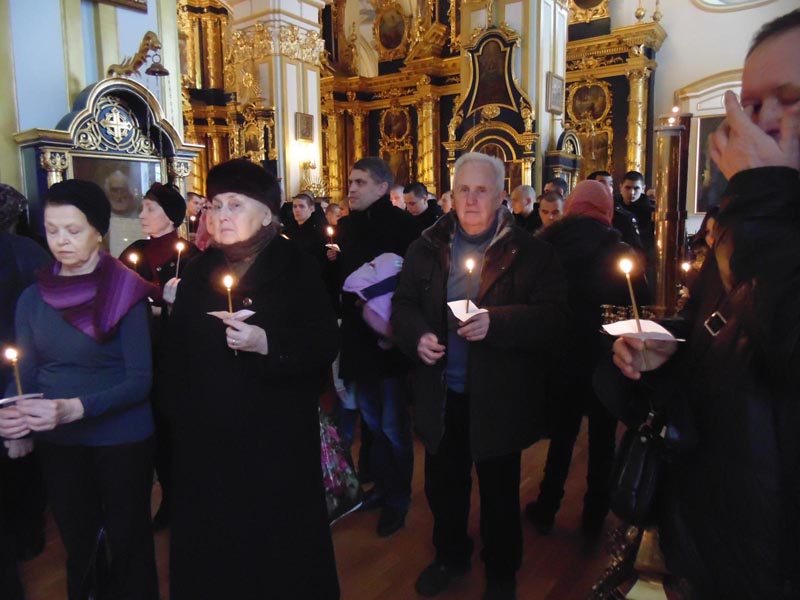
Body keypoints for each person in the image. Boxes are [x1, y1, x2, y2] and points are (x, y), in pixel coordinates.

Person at [612, 10, 800, 598]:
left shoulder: (758, 218)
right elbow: (731, 341)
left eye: (790, 100)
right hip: (716, 538)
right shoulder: (743, 226)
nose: (763, 122)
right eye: (752, 104)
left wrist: (764, 200)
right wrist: (666, 351)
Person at [392, 152, 568, 600]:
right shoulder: (427, 244)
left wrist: (498, 322)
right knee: (443, 488)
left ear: (502, 195)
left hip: (498, 396)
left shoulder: (532, 252)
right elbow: (404, 305)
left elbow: (554, 320)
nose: (470, 200)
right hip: (442, 393)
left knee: (499, 493)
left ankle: (502, 571)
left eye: (481, 190)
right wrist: (418, 337)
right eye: (463, 190)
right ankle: (450, 555)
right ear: (451, 194)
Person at [162, 158, 340, 600]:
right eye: (215, 205)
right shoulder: (198, 272)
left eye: (235, 205)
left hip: (274, 442)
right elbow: (175, 356)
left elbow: (323, 345)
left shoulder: (295, 267)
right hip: (206, 444)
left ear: (266, 212)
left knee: (276, 553)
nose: (221, 215)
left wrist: (267, 343)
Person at [0, 179, 159, 600]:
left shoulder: (125, 291)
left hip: (121, 438)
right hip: (60, 440)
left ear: (97, 232)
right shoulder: (33, 299)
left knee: (128, 541)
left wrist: (73, 408)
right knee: (79, 541)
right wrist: (15, 422)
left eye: (73, 230)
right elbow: (26, 374)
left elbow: (139, 381)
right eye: (52, 230)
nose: (61, 241)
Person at [526, 180, 649, 538]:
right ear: (606, 211)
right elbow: (640, 304)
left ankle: (547, 507)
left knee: (562, 439)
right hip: (606, 359)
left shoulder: (547, 247)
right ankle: (594, 519)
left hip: (562, 359)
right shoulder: (620, 251)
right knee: (602, 442)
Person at [327, 157, 418, 538]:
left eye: (360, 181)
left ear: (383, 187)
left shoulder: (404, 227)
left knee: (395, 428)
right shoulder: (346, 227)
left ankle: (398, 499)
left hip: (389, 342)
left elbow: (409, 287)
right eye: (350, 180)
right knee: (373, 425)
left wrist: (390, 327)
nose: (351, 188)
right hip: (358, 342)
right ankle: (381, 488)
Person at [120, 183, 199, 531]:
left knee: (177, 430)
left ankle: (188, 498)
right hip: (141, 352)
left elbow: (198, 309)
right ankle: (166, 495)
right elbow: (119, 295)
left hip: (176, 357)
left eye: (149, 209)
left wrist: (164, 307)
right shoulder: (135, 251)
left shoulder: (191, 255)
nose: (141, 215)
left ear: (169, 216)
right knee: (153, 433)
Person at [0, 184, 51, 600]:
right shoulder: (34, 251)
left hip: (18, 362)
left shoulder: (25, 252)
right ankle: (31, 534)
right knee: (26, 462)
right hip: (30, 362)